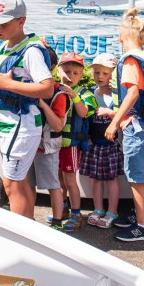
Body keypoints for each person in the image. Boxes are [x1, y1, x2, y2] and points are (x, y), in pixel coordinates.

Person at [0, 0, 54, 218]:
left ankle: (21, 235)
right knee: (20, 182)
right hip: (7, 124)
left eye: (4, 23)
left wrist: (9, 84)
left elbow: (47, 88)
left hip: (21, 125)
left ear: (21, 21)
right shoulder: (4, 46)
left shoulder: (31, 50)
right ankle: (28, 228)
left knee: (11, 185)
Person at [106, 8, 144, 242]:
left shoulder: (130, 61)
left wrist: (115, 121)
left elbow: (131, 94)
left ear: (121, 37)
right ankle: (141, 216)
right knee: (143, 172)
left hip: (136, 125)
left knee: (136, 176)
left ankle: (143, 226)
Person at [81, 53, 122, 228]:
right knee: (95, 179)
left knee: (111, 179)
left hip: (111, 145)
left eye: (105, 73)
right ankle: (98, 209)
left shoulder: (118, 95)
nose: (100, 77)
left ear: (113, 74)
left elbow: (125, 114)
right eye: (97, 72)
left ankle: (112, 211)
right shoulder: (90, 93)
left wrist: (110, 112)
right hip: (94, 145)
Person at [57, 52, 96, 230]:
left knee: (70, 181)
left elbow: (83, 112)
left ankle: (76, 214)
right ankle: (62, 208)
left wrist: (74, 96)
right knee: (58, 180)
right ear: (58, 71)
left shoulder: (85, 93)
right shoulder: (54, 89)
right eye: (66, 71)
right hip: (54, 144)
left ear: (81, 75)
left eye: (75, 73)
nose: (70, 76)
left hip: (71, 146)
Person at [33, 51, 70, 230]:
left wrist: (42, 104)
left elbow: (57, 125)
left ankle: (57, 222)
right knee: (27, 184)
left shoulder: (58, 94)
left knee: (53, 185)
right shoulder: (29, 87)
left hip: (47, 146)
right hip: (31, 144)